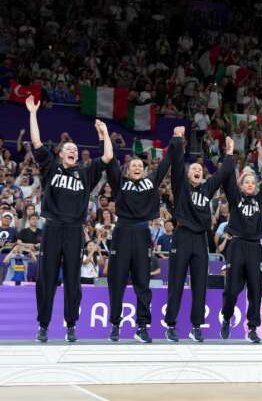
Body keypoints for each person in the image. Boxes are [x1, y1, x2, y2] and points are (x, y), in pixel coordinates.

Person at [27, 95, 112, 342]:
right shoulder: (50, 167)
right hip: (53, 228)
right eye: (69, 149)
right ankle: (43, 325)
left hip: (75, 229)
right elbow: (36, 141)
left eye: (75, 150)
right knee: (47, 278)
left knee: (73, 279)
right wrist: (33, 112)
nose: (73, 151)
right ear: (61, 154)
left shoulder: (85, 173)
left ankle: (71, 325)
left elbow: (107, 157)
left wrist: (105, 133)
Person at [104, 130, 173, 343]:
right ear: (127, 169)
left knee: (143, 282)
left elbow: (164, 164)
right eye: (133, 165)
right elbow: (108, 160)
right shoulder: (119, 182)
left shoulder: (150, 182)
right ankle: (115, 325)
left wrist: (176, 140)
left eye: (140, 166)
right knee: (117, 281)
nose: (136, 167)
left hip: (142, 232)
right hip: (122, 231)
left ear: (144, 171)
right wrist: (105, 135)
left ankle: (142, 327)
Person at [164, 127, 230, 342]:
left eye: (200, 168)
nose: (197, 170)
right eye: (193, 167)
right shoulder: (181, 186)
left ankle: (196, 327)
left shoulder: (206, 189)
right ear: (187, 172)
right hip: (182, 236)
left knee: (200, 284)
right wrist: (177, 138)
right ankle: (171, 325)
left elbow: (221, 174)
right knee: (176, 282)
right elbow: (175, 161)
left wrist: (228, 153)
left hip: (201, 239)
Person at [220, 141, 262, 343]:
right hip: (236, 246)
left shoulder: (260, 201)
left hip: (255, 248)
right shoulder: (235, 198)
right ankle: (226, 318)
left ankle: (253, 328)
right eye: (247, 182)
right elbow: (227, 179)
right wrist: (229, 153)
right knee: (233, 290)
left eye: (253, 183)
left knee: (256, 289)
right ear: (241, 185)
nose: (250, 185)